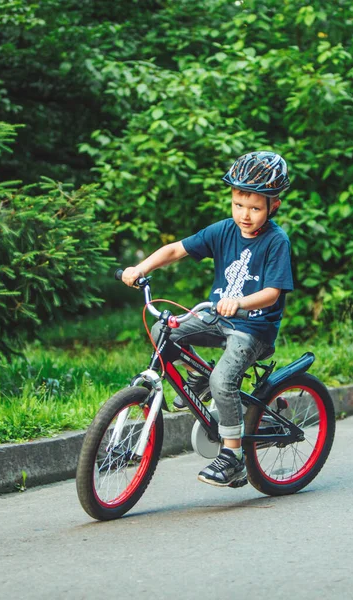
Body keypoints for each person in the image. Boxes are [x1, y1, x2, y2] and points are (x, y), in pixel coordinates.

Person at [122, 151, 294, 487]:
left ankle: (233, 457)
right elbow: (175, 250)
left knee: (223, 382)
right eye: (238, 205)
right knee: (163, 329)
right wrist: (140, 268)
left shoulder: (276, 241)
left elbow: (272, 292)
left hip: (254, 328)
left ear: (273, 206)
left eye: (255, 208)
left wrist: (239, 302)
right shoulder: (223, 231)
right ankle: (198, 378)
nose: (245, 215)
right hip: (217, 316)